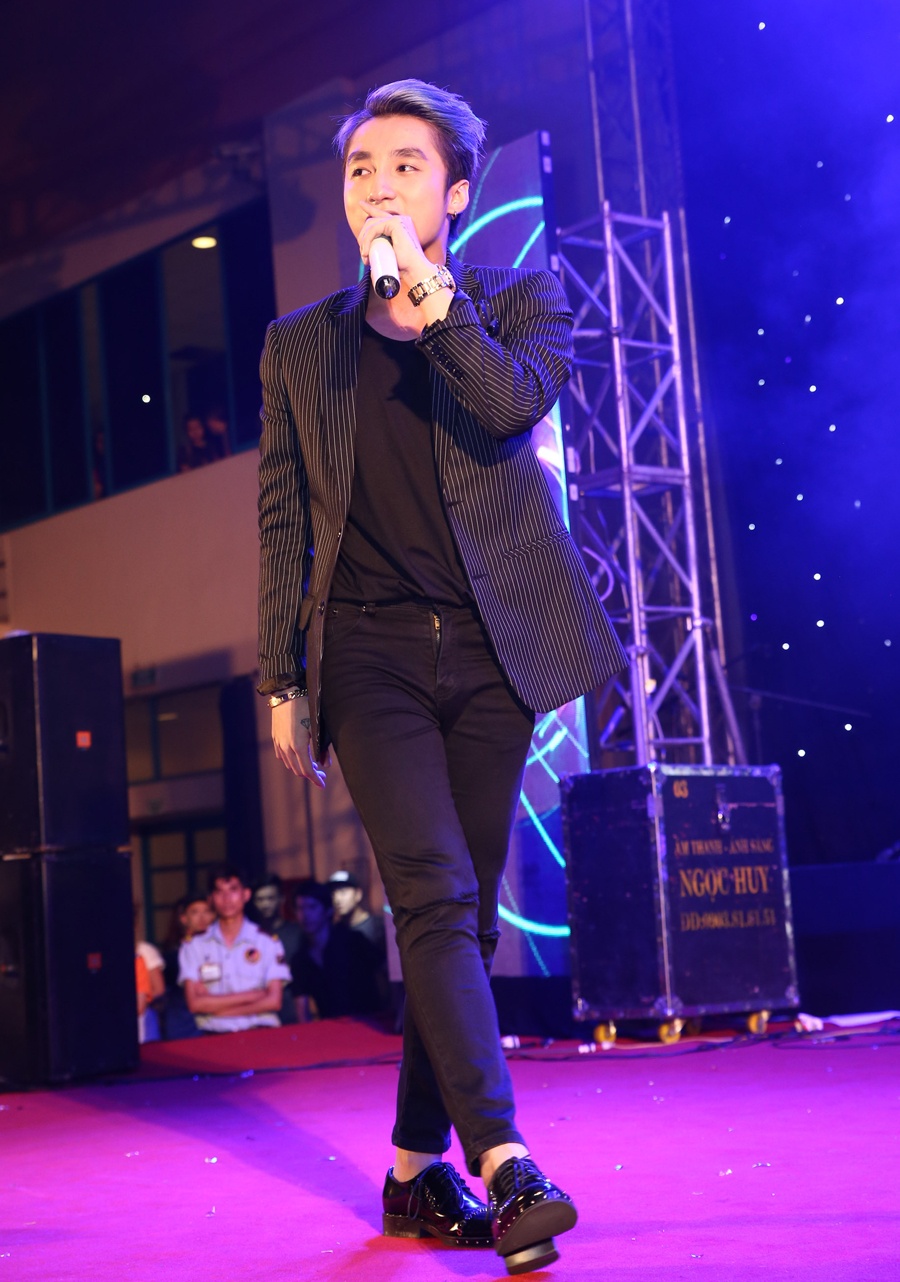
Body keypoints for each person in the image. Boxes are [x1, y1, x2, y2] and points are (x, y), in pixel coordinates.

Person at [257, 79, 626, 1274]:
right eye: (361, 169)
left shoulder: (521, 301)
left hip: (490, 645)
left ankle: (416, 1169)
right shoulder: (301, 345)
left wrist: (429, 299)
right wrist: (280, 676)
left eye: (405, 167)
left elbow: (510, 406)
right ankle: (506, 1159)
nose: (377, 186)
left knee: (458, 910)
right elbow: (282, 520)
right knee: (429, 892)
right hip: (365, 651)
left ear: (456, 194)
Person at [178, 864, 291, 1033]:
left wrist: (219, 1010)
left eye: (233, 890)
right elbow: (195, 1004)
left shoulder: (266, 942)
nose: (227, 899)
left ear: (246, 894)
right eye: (219, 892)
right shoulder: (194, 946)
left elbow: (274, 1001)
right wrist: (254, 995)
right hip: (214, 1035)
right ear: (211, 899)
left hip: (260, 1032)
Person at [327, 870, 389, 1012]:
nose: (337, 899)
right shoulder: (334, 932)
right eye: (333, 893)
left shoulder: (378, 926)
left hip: (379, 1008)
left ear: (358, 894)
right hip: (346, 1012)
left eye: (343, 892)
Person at [249, 873, 301, 1024]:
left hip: (292, 1013)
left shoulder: (297, 933)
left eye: (270, 898)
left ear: (281, 899)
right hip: (258, 1015)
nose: (265, 904)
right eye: (260, 899)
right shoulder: (248, 937)